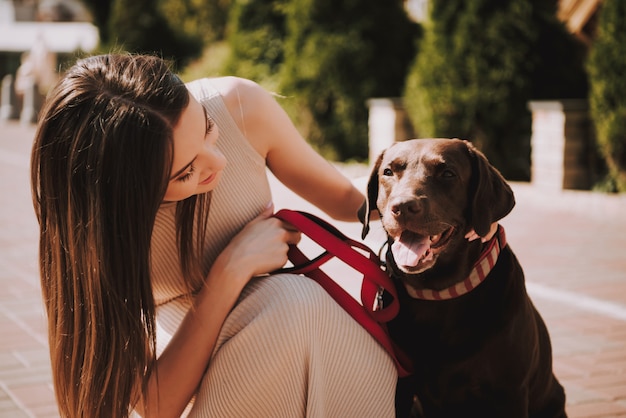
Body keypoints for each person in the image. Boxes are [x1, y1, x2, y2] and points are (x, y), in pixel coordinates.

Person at [31, 53, 494, 418]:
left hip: (328, 347)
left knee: (297, 309)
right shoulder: (90, 233)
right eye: (186, 172)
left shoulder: (237, 104)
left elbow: (353, 202)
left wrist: (466, 203)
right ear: (121, 195)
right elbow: (155, 407)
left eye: (208, 133)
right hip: (203, 364)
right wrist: (231, 270)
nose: (219, 164)